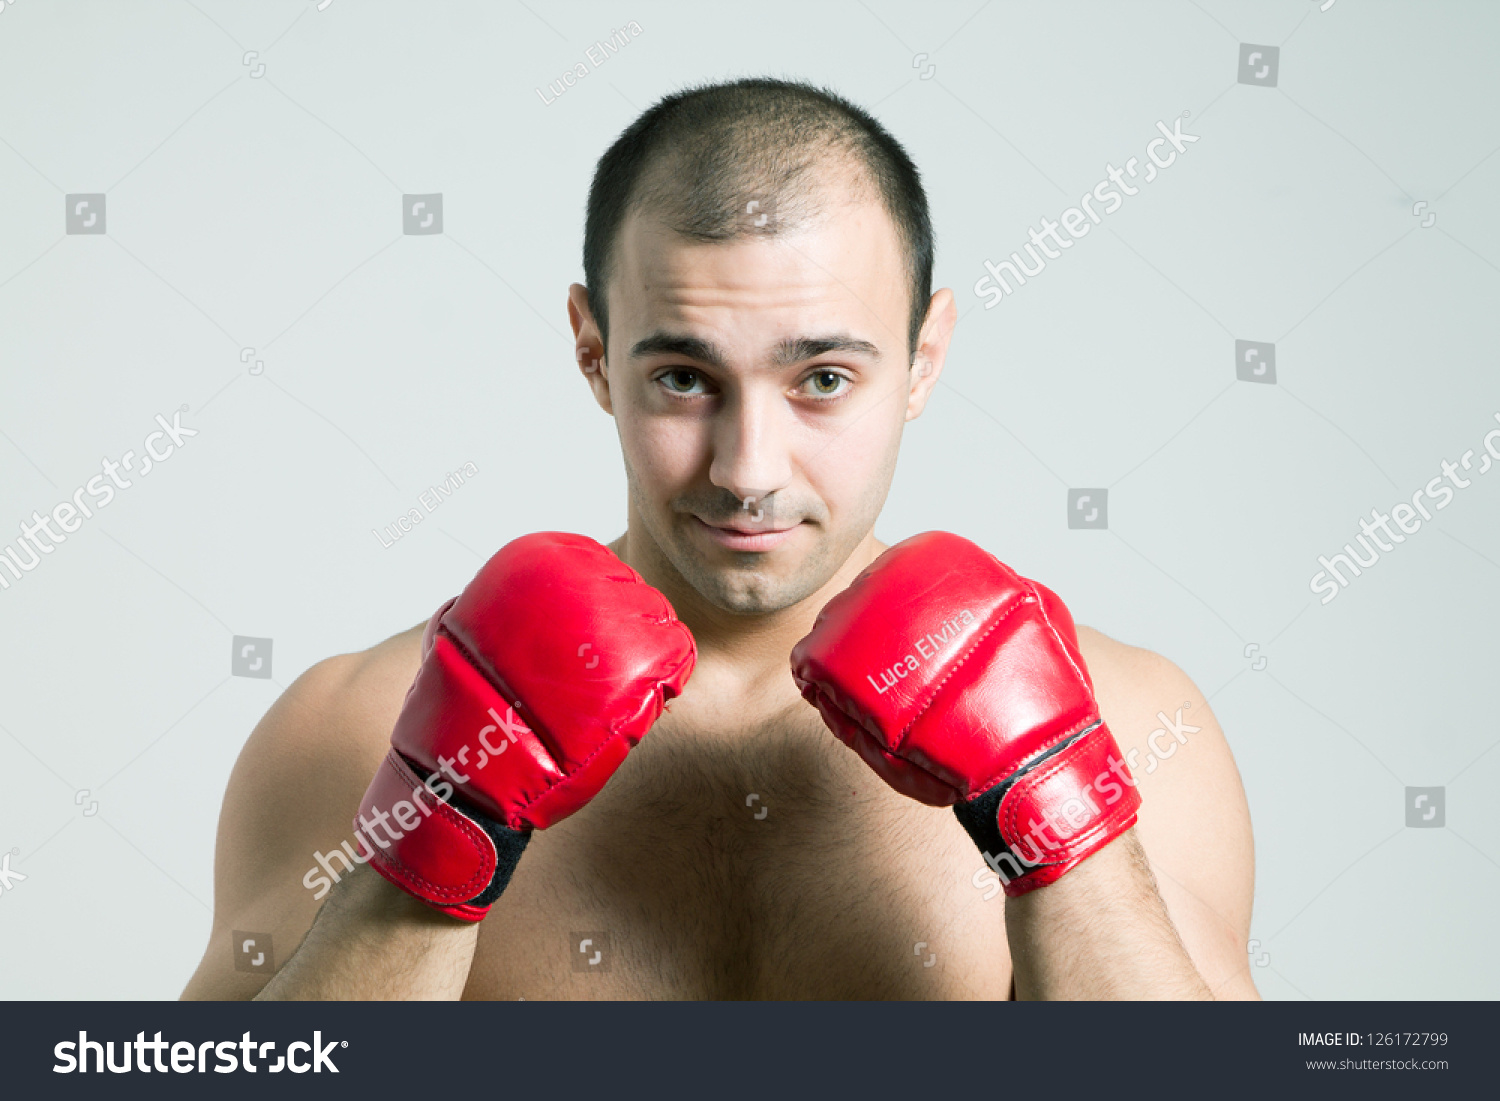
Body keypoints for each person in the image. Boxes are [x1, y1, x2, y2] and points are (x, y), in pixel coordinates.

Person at [182, 77, 1256, 1001]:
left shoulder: (1132, 726)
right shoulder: (357, 729)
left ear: (924, 358)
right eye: (684, 380)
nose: (749, 469)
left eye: (822, 380)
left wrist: (1064, 817)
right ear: (594, 354)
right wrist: (434, 829)